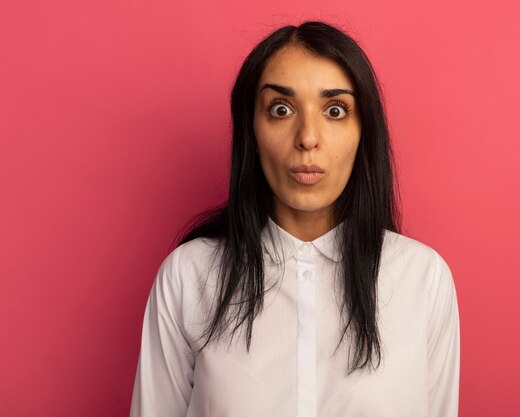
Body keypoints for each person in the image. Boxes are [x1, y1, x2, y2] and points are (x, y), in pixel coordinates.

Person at [129, 21, 460, 417]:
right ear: (251, 129)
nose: (307, 137)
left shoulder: (423, 279)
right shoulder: (188, 277)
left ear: (363, 131)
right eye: (281, 109)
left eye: (335, 110)